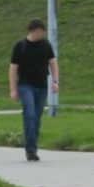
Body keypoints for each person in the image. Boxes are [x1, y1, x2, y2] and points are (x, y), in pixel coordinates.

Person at [8, 18, 59, 163]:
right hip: (25, 86)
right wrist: (13, 90)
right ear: (33, 31)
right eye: (40, 32)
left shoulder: (45, 45)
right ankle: (30, 149)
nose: (41, 35)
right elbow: (13, 69)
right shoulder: (20, 46)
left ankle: (33, 147)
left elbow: (53, 63)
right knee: (29, 114)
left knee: (36, 118)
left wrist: (55, 81)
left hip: (41, 86)